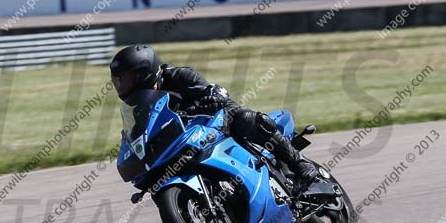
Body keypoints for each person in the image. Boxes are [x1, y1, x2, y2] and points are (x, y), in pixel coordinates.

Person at [109, 44, 318, 185]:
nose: (122, 86)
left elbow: (216, 93)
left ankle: (299, 163)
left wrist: (210, 98)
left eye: (125, 79)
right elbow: (139, 132)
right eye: (118, 81)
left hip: (215, 122)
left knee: (244, 118)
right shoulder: (139, 107)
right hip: (187, 141)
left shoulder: (180, 76)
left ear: (142, 74)